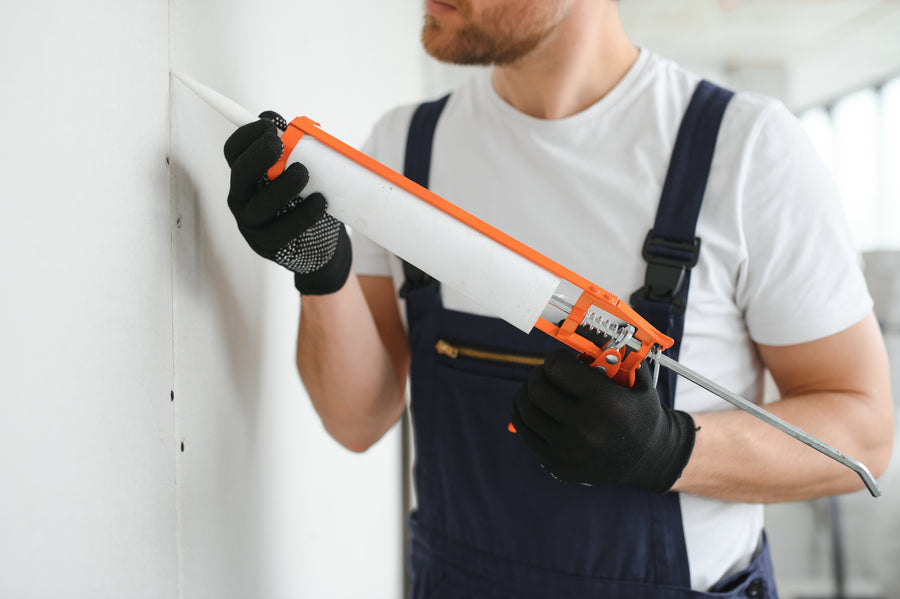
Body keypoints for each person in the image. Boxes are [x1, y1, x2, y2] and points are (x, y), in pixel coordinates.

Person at [222, 0, 894, 596]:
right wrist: (320, 270)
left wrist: (671, 449)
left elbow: (864, 433)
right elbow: (356, 418)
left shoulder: (744, 150)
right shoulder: (402, 151)